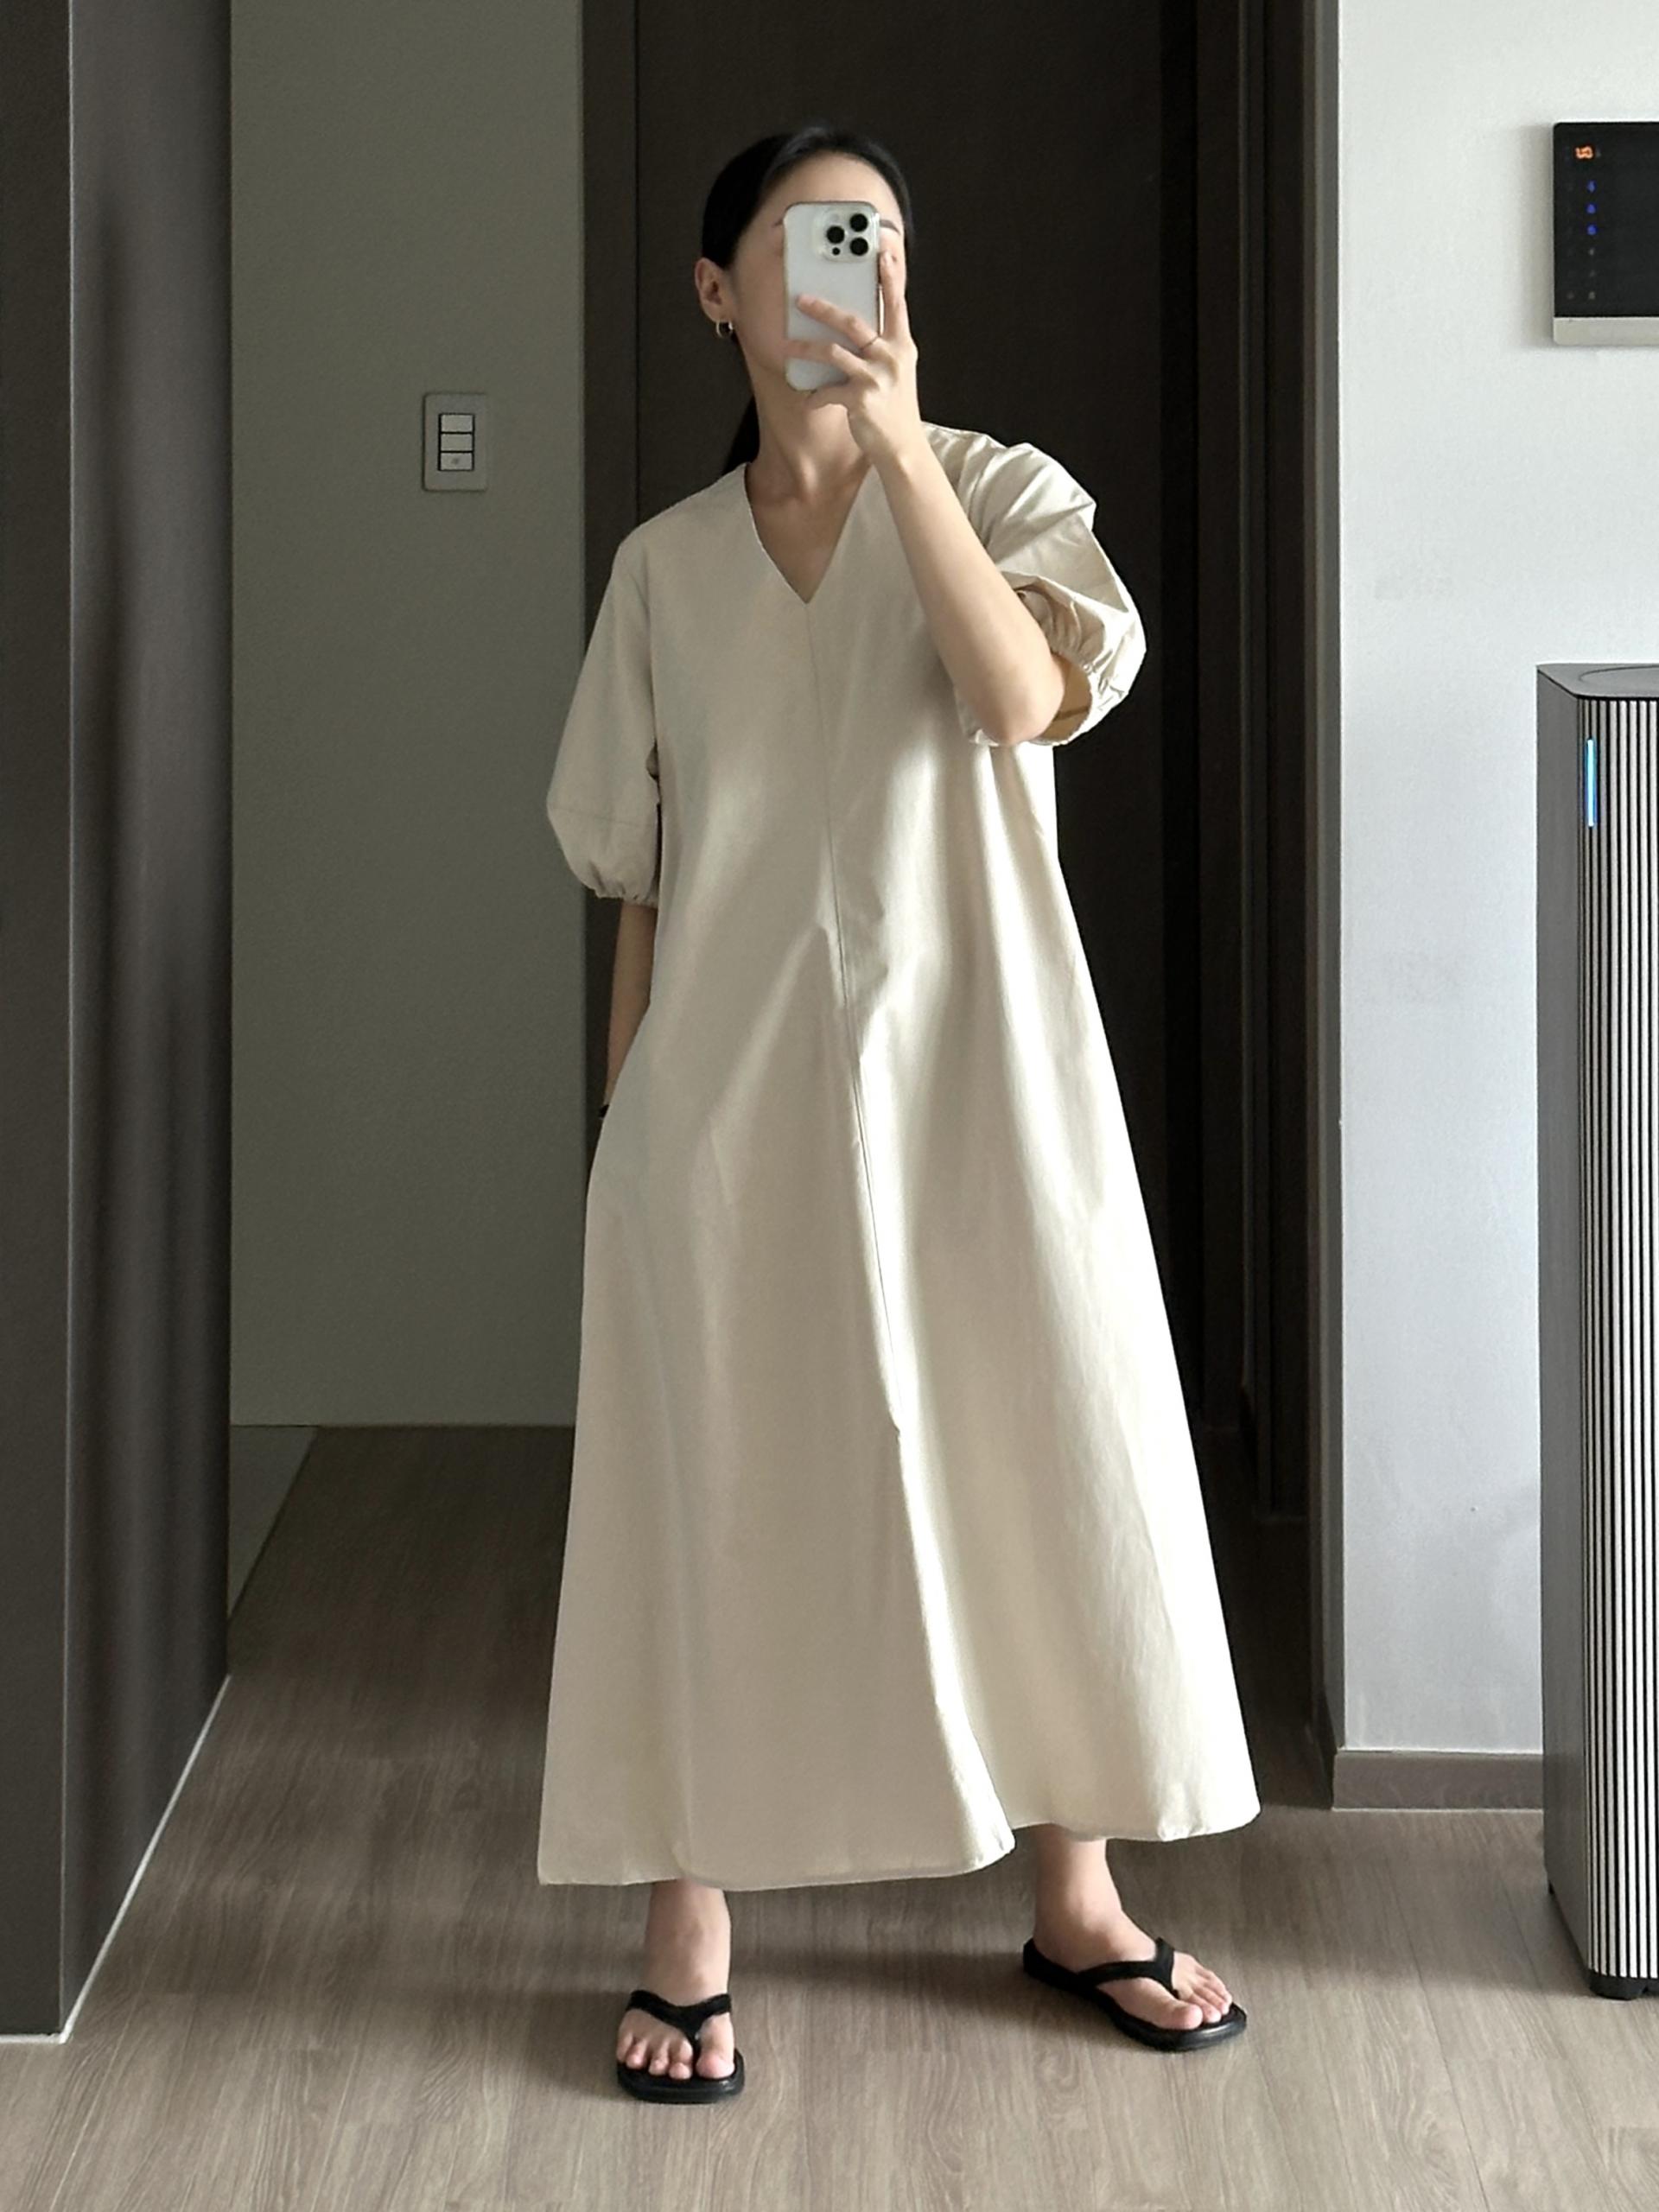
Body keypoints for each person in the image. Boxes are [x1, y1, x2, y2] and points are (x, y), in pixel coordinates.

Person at [537, 124, 1261, 2104]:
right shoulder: (665, 569)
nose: (844, 273)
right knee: (715, 1479)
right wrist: (625, 1136)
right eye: (801, 242)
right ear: (718, 294)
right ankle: (690, 1916)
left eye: (871, 240)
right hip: (721, 1105)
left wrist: (906, 447)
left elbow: (1023, 696)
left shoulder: (1006, 492)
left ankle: (1077, 1895)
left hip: (983, 1076)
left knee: (1041, 1440)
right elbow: (642, 876)